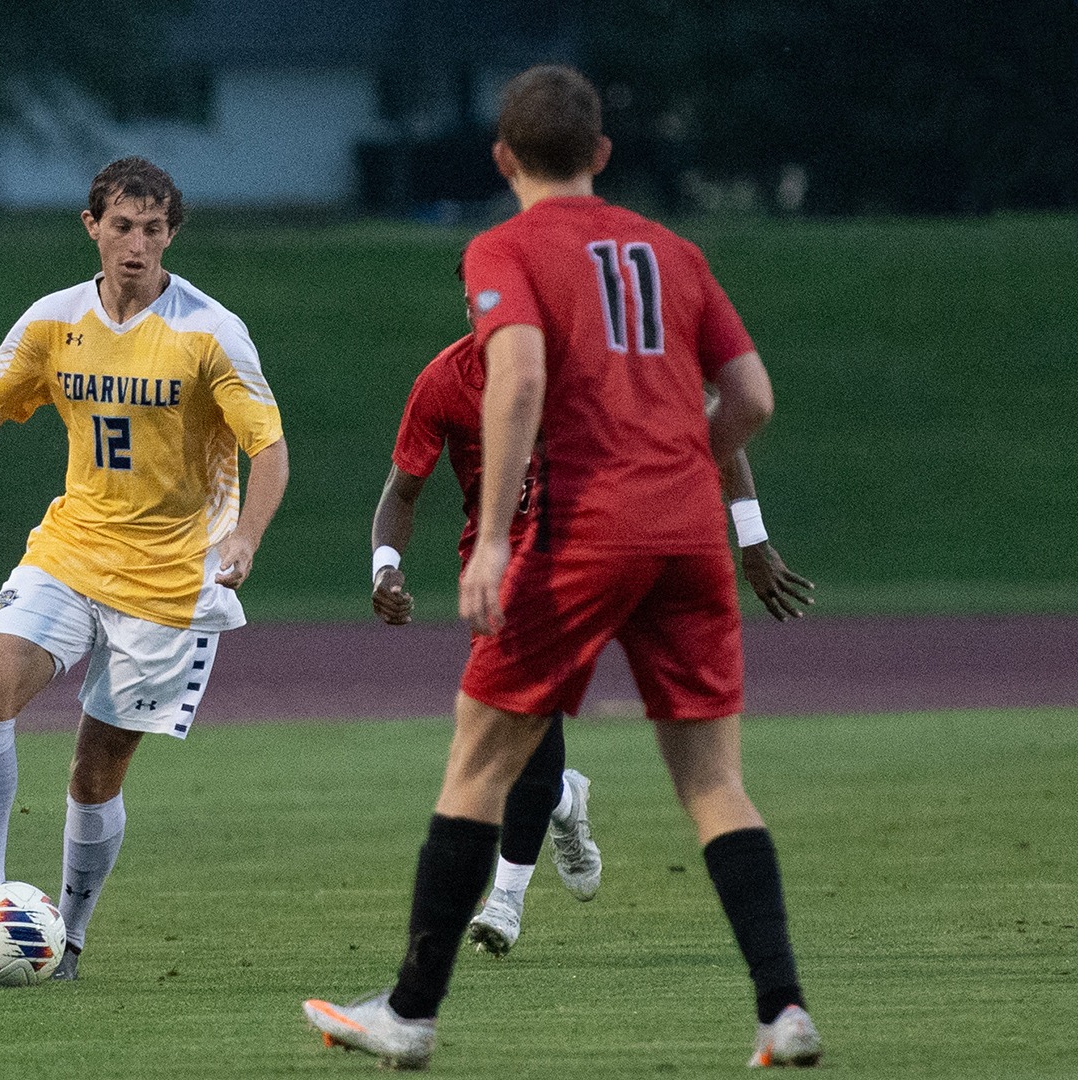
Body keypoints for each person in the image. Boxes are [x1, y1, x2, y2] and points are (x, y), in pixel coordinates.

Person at [304, 66, 821, 1068]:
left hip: (580, 531)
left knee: (479, 761)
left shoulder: (504, 245)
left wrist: (492, 535)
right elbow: (750, 397)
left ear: (502, 159)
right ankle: (783, 1009)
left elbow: (523, 375)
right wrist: (684, 463)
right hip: (688, 538)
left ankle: (409, 1013)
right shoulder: (674, 251)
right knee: (715, 783)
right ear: (603, 154)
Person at [0, 157, 288, 983]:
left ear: (170, 236)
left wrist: (247, 539)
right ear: (91, 224)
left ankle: (71, 941)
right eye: (122, 225)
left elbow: (269, 449)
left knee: (94, 773)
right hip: (72, 547)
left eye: (153, 229)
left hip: (170, 578)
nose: (136, 245)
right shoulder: (53, 322)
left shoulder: (210, 331)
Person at [371, 330, 815, 957]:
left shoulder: (597, 363)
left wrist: (751, 537)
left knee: (671, 748)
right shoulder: (445, 379)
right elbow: (402, 491)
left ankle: (510, 888)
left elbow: (702, 423)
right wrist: (384, 567)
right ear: (469, 303)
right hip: (506, 570)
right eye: (482, 296)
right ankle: (542, 829)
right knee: (523, 723)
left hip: (605, 553)